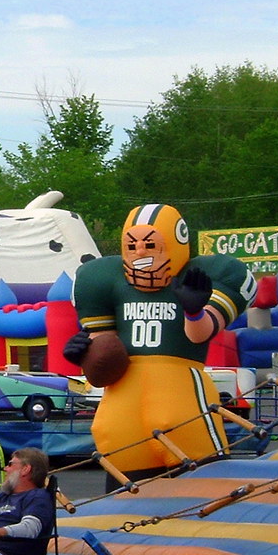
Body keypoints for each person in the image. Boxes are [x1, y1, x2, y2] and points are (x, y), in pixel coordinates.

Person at [66, 204, 256, 486]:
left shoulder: (201, 276)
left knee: (201, 476)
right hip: (124, 393)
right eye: (133, 245)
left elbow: (199, 335)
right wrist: (83, 355)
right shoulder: (103, 279)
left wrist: (193, 312)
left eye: (151, 244)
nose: (141, 252)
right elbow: (104, 358)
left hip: (179, 387)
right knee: (124, 473)